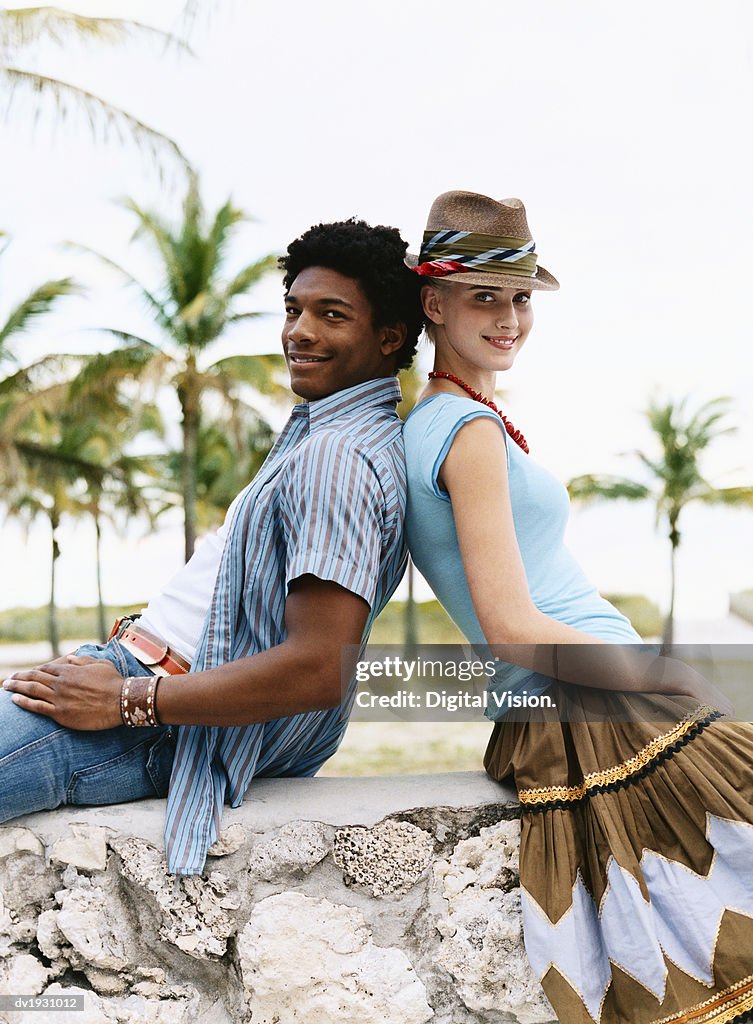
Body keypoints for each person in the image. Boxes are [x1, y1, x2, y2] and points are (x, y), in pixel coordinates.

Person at [403, 190, 753, 1024]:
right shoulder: (465, 432)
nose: (509, 317)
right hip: (591, 706)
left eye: (520, 297)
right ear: (433, 301)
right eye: (484, 295)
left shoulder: (444, 420)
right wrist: (663, 672)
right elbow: (512, 628)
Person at [1, 218, 423, 877]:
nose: (299, 332)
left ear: (388, 337)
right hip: (134, 680)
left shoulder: (338, 457)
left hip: (149, 718)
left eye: (331, 315)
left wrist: (121, 701)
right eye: (293, 309)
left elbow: (319, 667)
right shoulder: (331, 435)